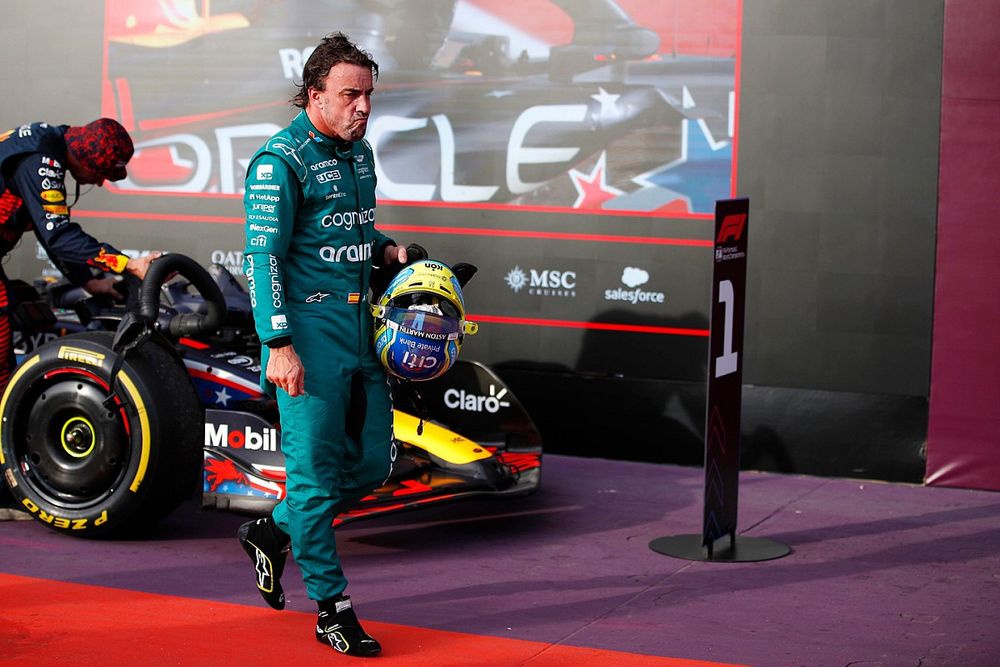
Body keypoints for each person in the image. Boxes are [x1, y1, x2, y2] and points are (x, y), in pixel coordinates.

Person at [238, 32, 410, 658]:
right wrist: (278, 344)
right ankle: (331, 608)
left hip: (363, 334)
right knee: (313, 485)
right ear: (314, 95)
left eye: (368, 95)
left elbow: (348, 229)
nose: (363, 107)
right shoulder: (277, 163)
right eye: (349, 95)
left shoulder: (357, 153)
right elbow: (264, 260)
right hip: (306, 343)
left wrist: (388, 250)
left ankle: (271, 531)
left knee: (369, 466)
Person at [0, 118, 159, 392]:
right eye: (99, 173)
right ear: (83, 158)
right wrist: (128, 264)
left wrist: (88, 281)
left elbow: (48, 229)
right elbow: (59, 236)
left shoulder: (53, 143)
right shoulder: (39, 158)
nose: (98, 182)